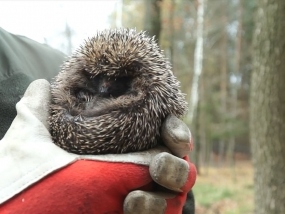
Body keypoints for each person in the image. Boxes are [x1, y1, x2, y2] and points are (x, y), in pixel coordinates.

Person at [0, 28, 196, 213]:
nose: (104, 87)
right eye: (98, 78)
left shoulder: (49, 59)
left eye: (117, 79)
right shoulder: (60, 68)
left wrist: (184, 204)